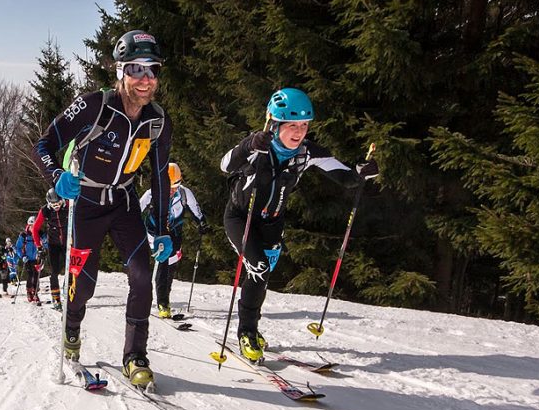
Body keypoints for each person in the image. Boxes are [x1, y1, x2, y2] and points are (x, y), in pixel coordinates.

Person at [32, 29, 172, 387]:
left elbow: (159, 176)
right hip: (86, 204)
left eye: (152, 70)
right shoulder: (94, 105)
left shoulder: (157, 121)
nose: (145, 80)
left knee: (143, 276)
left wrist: (162, 228)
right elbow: (45, 142)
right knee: (85, 284)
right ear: (120, 71)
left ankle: (135, 357)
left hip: (123, 202)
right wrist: (58, 175)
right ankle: (72, 329)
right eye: (136, 70)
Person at [220, 88, 378, 362]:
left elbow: (345, 177)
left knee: (262, 275)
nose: (299, 132)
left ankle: (251, 328)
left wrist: (361, 173)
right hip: (239, 218)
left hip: (272, 222)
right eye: (292, 125)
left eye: (304, 125)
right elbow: (225, 166)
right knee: (257, 268)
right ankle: (246, 332)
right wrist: (248, 145)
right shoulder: (257, 145)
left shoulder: (308, 153)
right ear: (274, 123)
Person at [139, 162, 208, 317]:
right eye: (169, 186)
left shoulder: (184, 194)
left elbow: (196, 210)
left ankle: (164, 297)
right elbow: (137, 209)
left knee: (170, 266)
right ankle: (163, 303)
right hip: (154, 234)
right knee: (163, 262)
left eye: (175, 186)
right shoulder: (151, 194)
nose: (172, 190)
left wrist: (202, 223)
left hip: (175, 234)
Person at [31, 189, 69, 309]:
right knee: (54, 272)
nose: (56, 207)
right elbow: (35, 229)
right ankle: (56, 299)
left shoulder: (69, 205)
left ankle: (69, 292)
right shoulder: (45, 211)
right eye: (53, 205)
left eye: (58, 204)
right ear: (49, 203)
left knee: (72, 270)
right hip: (54, 244)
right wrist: (39, 246)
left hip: (69, 242)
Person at [15, 217, 43, 304]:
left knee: (36, 275)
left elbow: (45, 243)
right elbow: (18, 248)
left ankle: (35, 293)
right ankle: (29, 292)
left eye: (34, 226)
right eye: (31, 226)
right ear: (28, 225)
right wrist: (22, 256)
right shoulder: (24, 236)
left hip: (36, 258)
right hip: (27, 259)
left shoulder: (39, 234)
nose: (32, 228)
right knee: (30, 274)